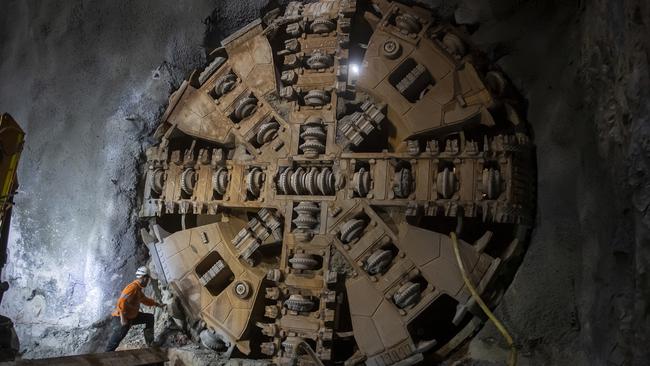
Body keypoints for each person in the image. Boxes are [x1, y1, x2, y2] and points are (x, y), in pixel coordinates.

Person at [105, 266, 163, 351]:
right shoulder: (132, 287)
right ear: (143, 278)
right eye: (147, 279)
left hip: (131, 316)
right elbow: (121, 301)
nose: (148, 281)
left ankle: (150, 343)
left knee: (149, 318)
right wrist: (123, 318)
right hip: (121, 317)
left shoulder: (138, 289)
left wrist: (157, 304)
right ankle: (106, 356)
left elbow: (145, 300)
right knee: (115, 341)